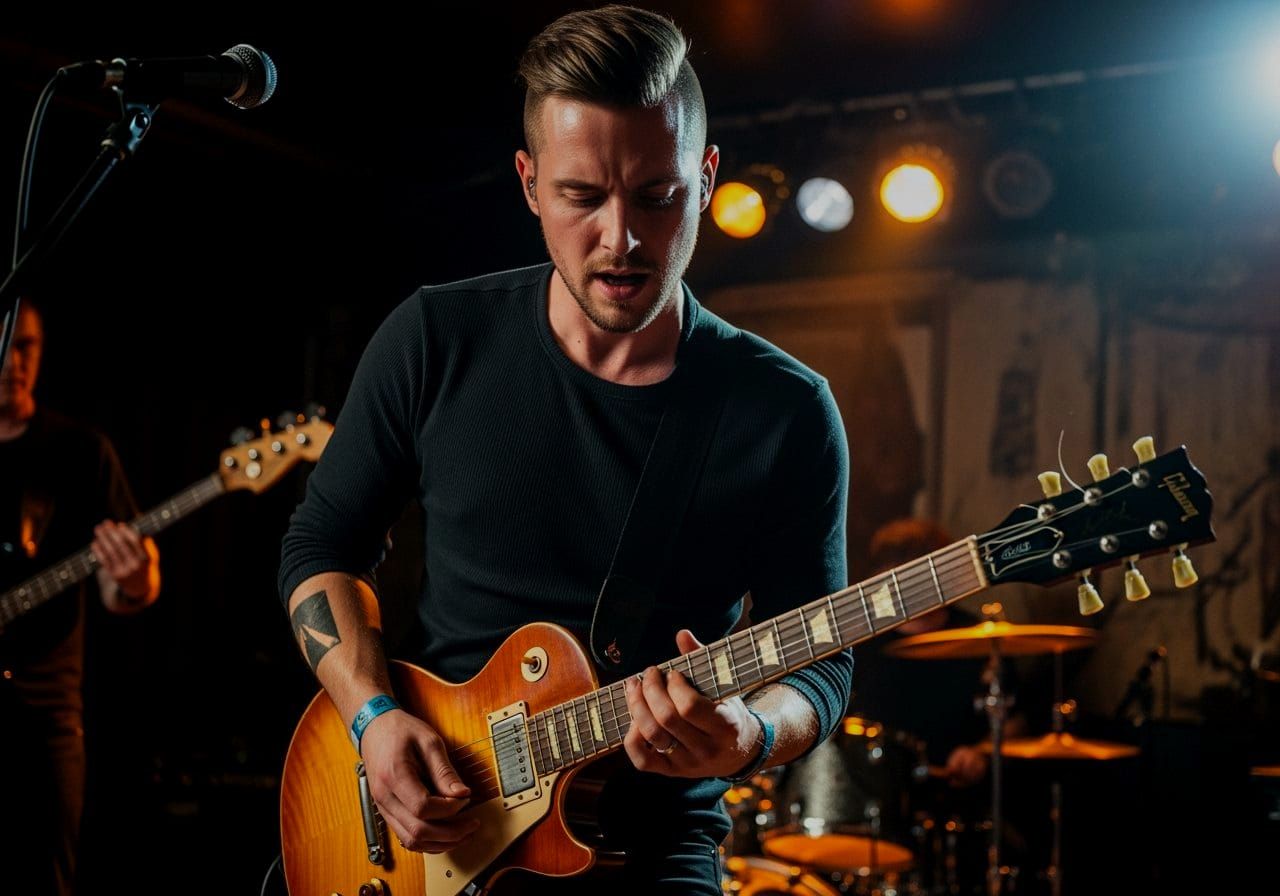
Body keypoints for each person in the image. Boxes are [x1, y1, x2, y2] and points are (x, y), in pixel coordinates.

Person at [277, 6, 852, 894]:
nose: (620, 238)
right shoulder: (436, 338)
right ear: (530, 183)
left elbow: (821, 667)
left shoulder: (784, 411)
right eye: (582, 196)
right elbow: (323, 546)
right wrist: (374, 717)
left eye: (656, 196)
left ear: (704, 181)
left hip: (652, 842)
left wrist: (749, 734)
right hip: (435, 835)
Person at [0, 299, 162, 896]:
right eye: (4, 346)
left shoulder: (81, 451)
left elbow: (130, 591)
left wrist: (135, 578)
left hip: (46, 718)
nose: (14, 362)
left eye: (27, 347)